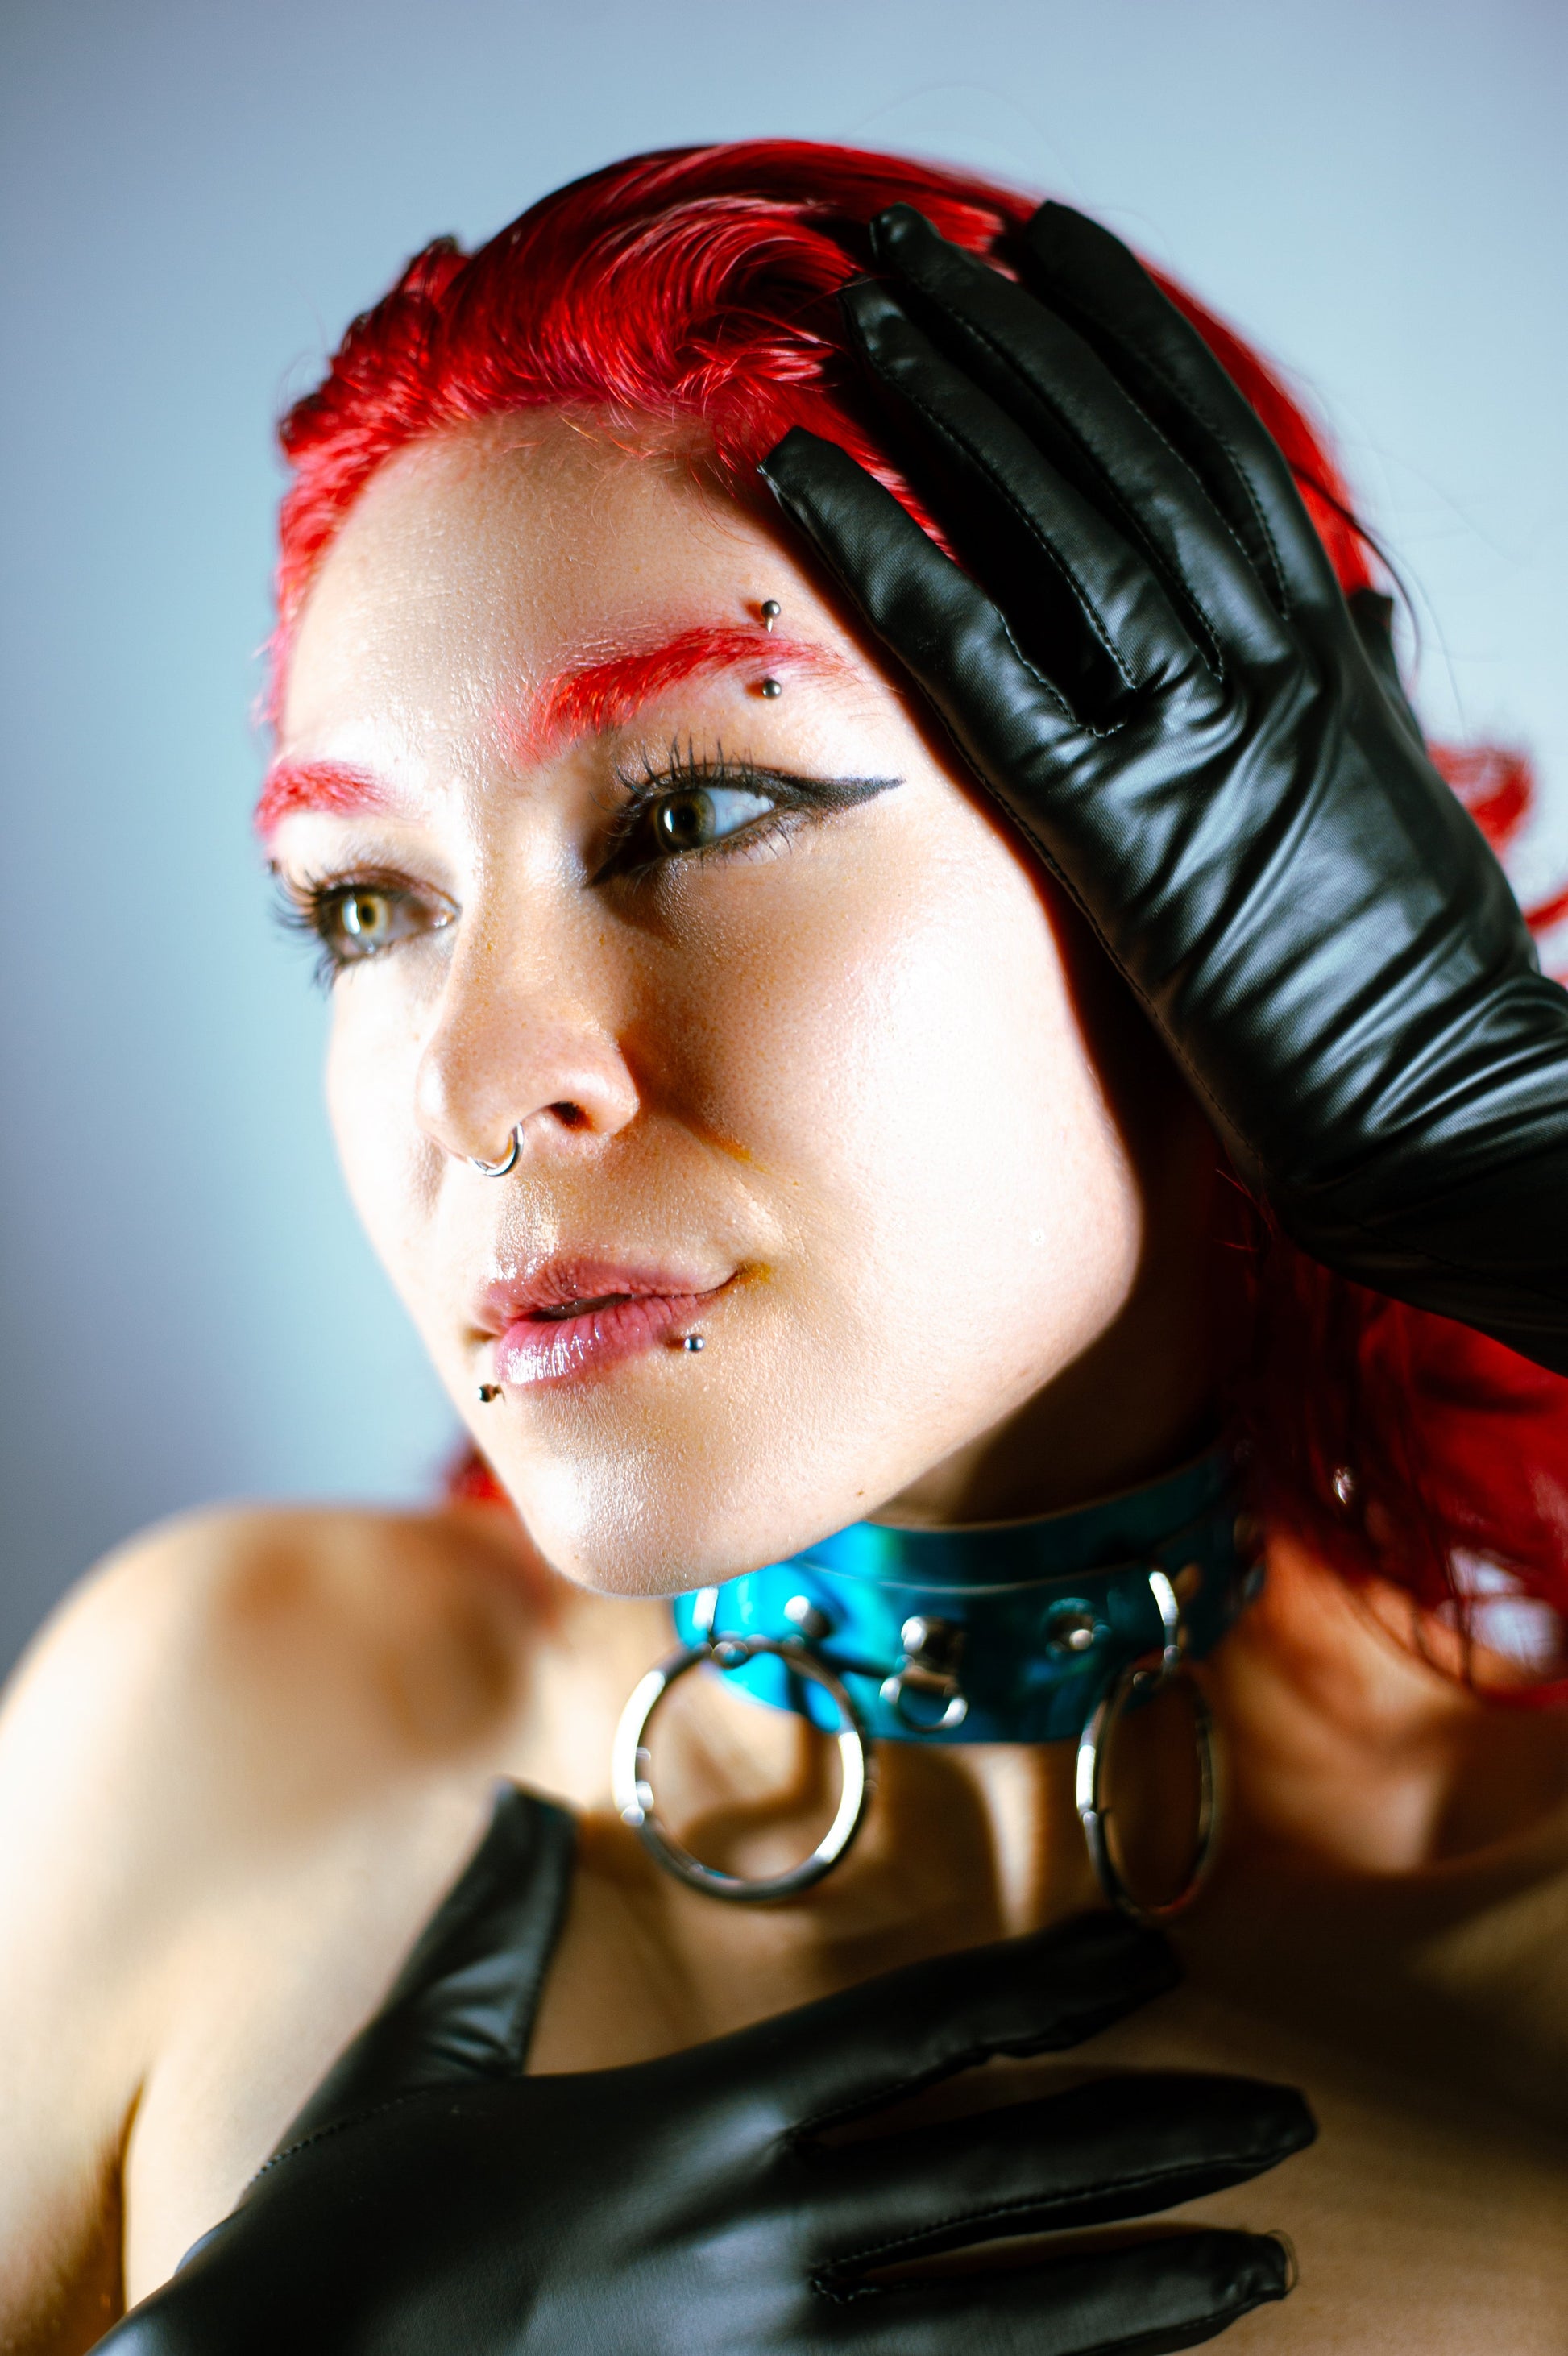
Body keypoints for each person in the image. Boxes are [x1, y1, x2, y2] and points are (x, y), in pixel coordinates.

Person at [4, 139, 1568, 2354]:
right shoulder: (231, 1723)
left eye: (696, 810)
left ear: (1225, 885)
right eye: (366, 904)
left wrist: (1504, 1144)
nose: (480, 1084)